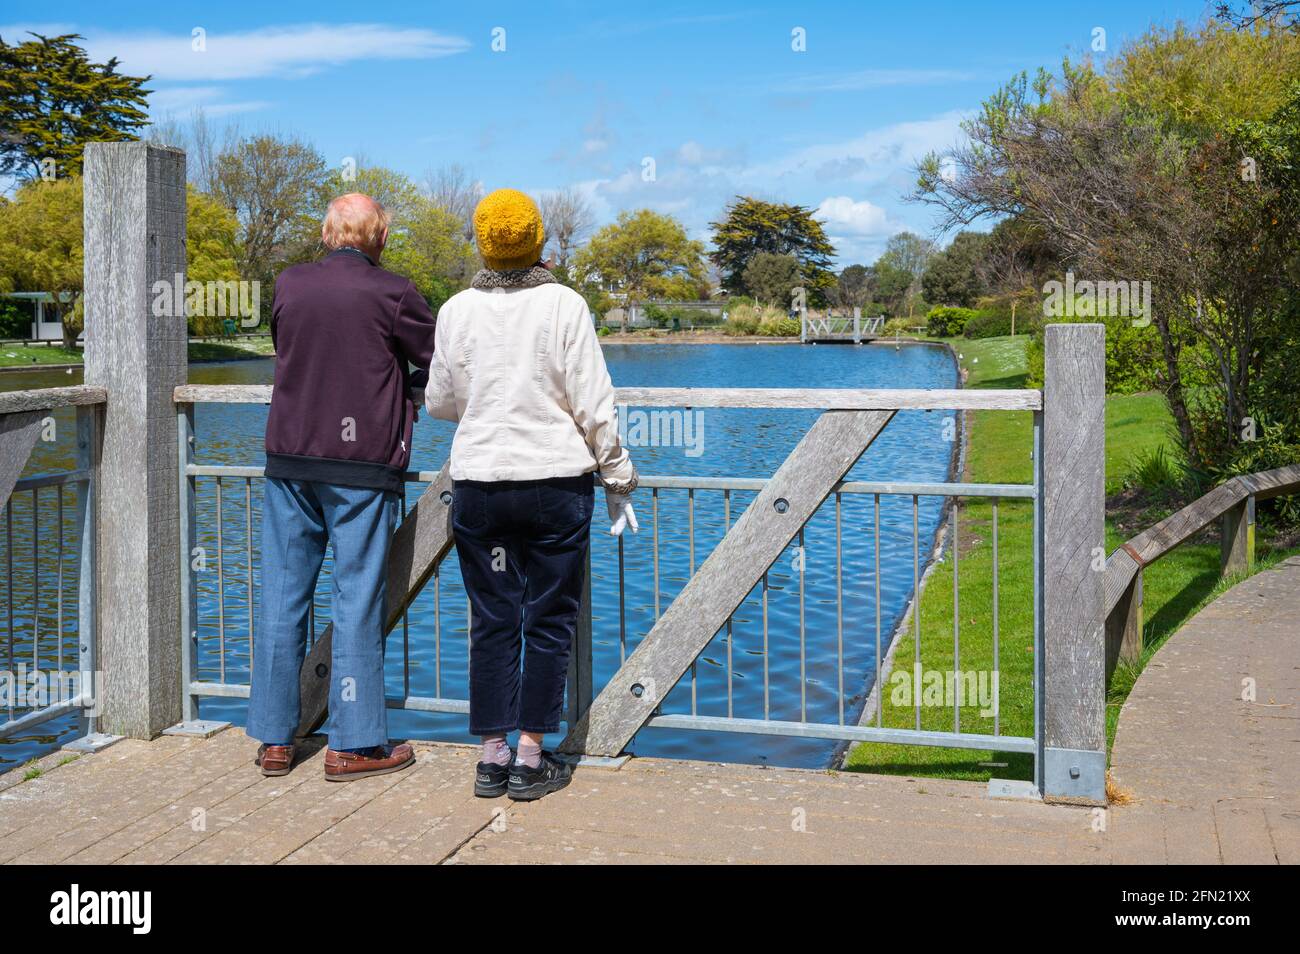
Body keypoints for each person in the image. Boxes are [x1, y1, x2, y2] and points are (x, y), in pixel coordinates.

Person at [425, 188, 638, 801]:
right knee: (548, 619)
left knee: (492, 619)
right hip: (553, 485)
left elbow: (439, 401)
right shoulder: (565, 304)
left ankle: (490, 758)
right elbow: (594, 402)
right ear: (538, 240)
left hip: (481, 486)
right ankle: (528, 758)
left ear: (483, 241)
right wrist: (618, 474)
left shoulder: (457, 309)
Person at [246, 193, 435, 781]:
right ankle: (352, 744)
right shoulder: (394, 292)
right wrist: (411, 388)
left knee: (282, 597)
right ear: (379, 238)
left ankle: (276, 740)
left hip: (289, 459)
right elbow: (441, 360)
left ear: (327, 235)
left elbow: (290, 350)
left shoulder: (289, 284)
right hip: (360, 468)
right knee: (356, 599)